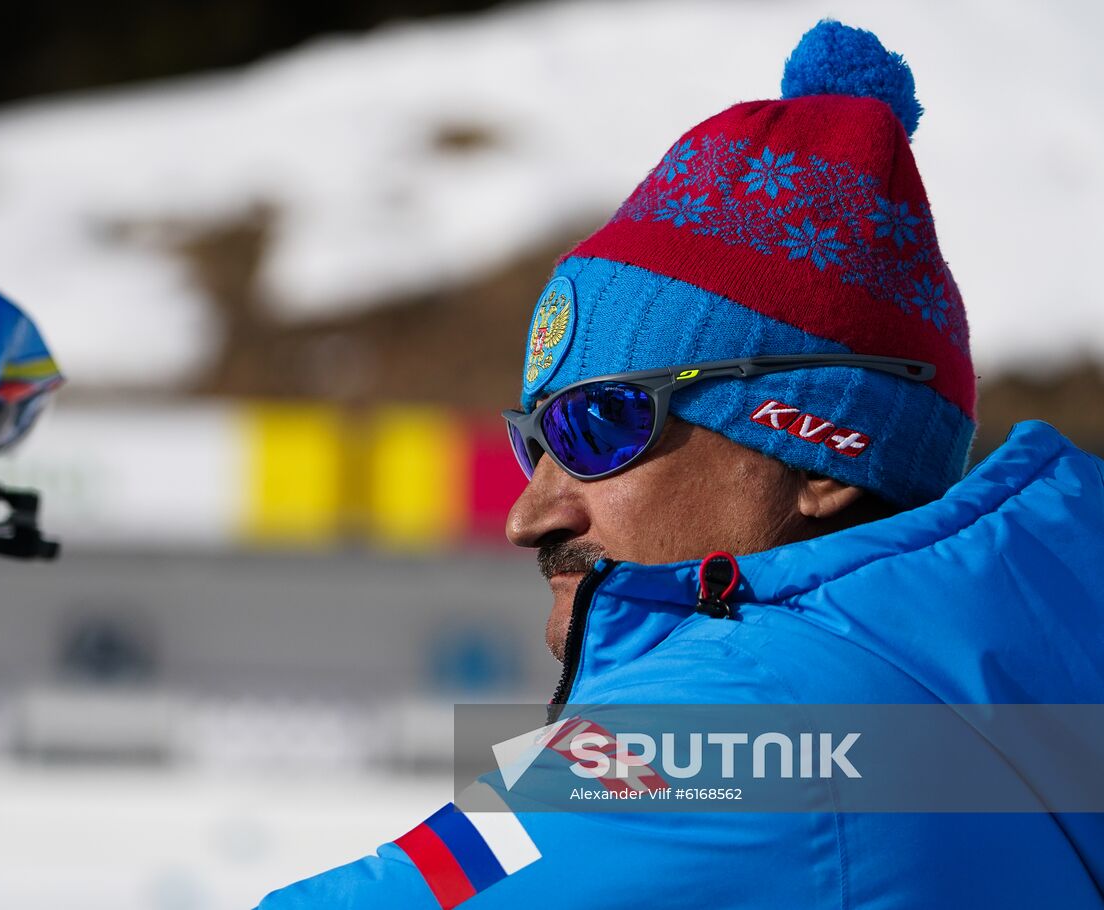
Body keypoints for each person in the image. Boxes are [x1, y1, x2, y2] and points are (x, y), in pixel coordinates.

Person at [257, 19, 1104, 908]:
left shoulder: (731, 726)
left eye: (599, 427)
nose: (527, 515)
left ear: (825, 453)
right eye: (536, 441)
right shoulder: (1008, 671)